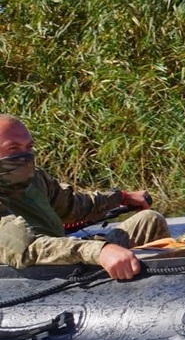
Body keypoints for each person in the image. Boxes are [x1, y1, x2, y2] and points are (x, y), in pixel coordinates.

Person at [0, 114, 169, 280]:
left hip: (65, 257)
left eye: (29, 147)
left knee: (149, 221)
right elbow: (27, 249)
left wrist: (121, 197)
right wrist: (99, 251)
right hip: (30, 273)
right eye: (13, 148)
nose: (25, 156)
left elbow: (72, 206)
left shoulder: (34, 178)